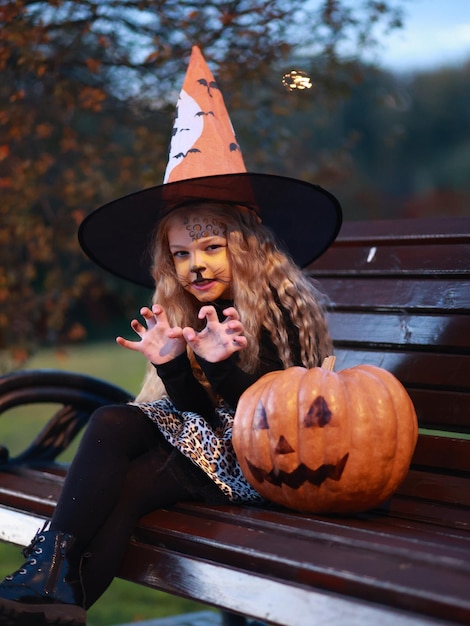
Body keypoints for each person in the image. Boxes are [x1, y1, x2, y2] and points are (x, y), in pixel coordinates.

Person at [0, 46, 342, 626]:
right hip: (207, 447)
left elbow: (270, 416)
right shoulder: (187, 306)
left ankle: (45, 582)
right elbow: (191, 410)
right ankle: (54, 591)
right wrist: (176, 363)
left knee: (128, 474)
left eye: (211, 248)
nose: (196, 266)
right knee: (117, 443)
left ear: (248, 246)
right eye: (182, 255)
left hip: (266, 461)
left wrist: (225, 366)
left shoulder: (283, 306)